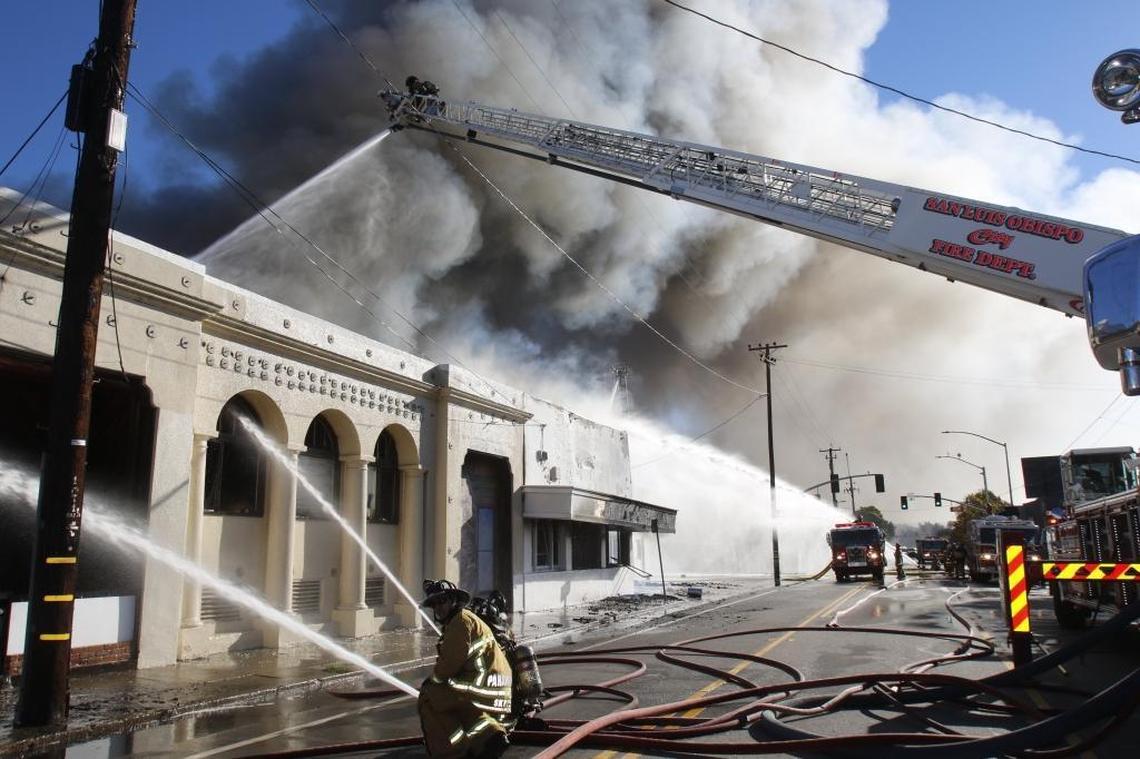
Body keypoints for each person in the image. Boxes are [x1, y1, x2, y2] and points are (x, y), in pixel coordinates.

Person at [418, 579, 513, 758]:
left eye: (443, 601)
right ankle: (489, 737)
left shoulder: (460, 622)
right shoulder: (466, 619)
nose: (438, 607)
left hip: (485, 687)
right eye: (434, 604)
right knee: (454, 697)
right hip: (496, 688)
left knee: (429, 697)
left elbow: (448, 666)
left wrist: (431, 682)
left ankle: (454, 752)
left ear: (454, 600)